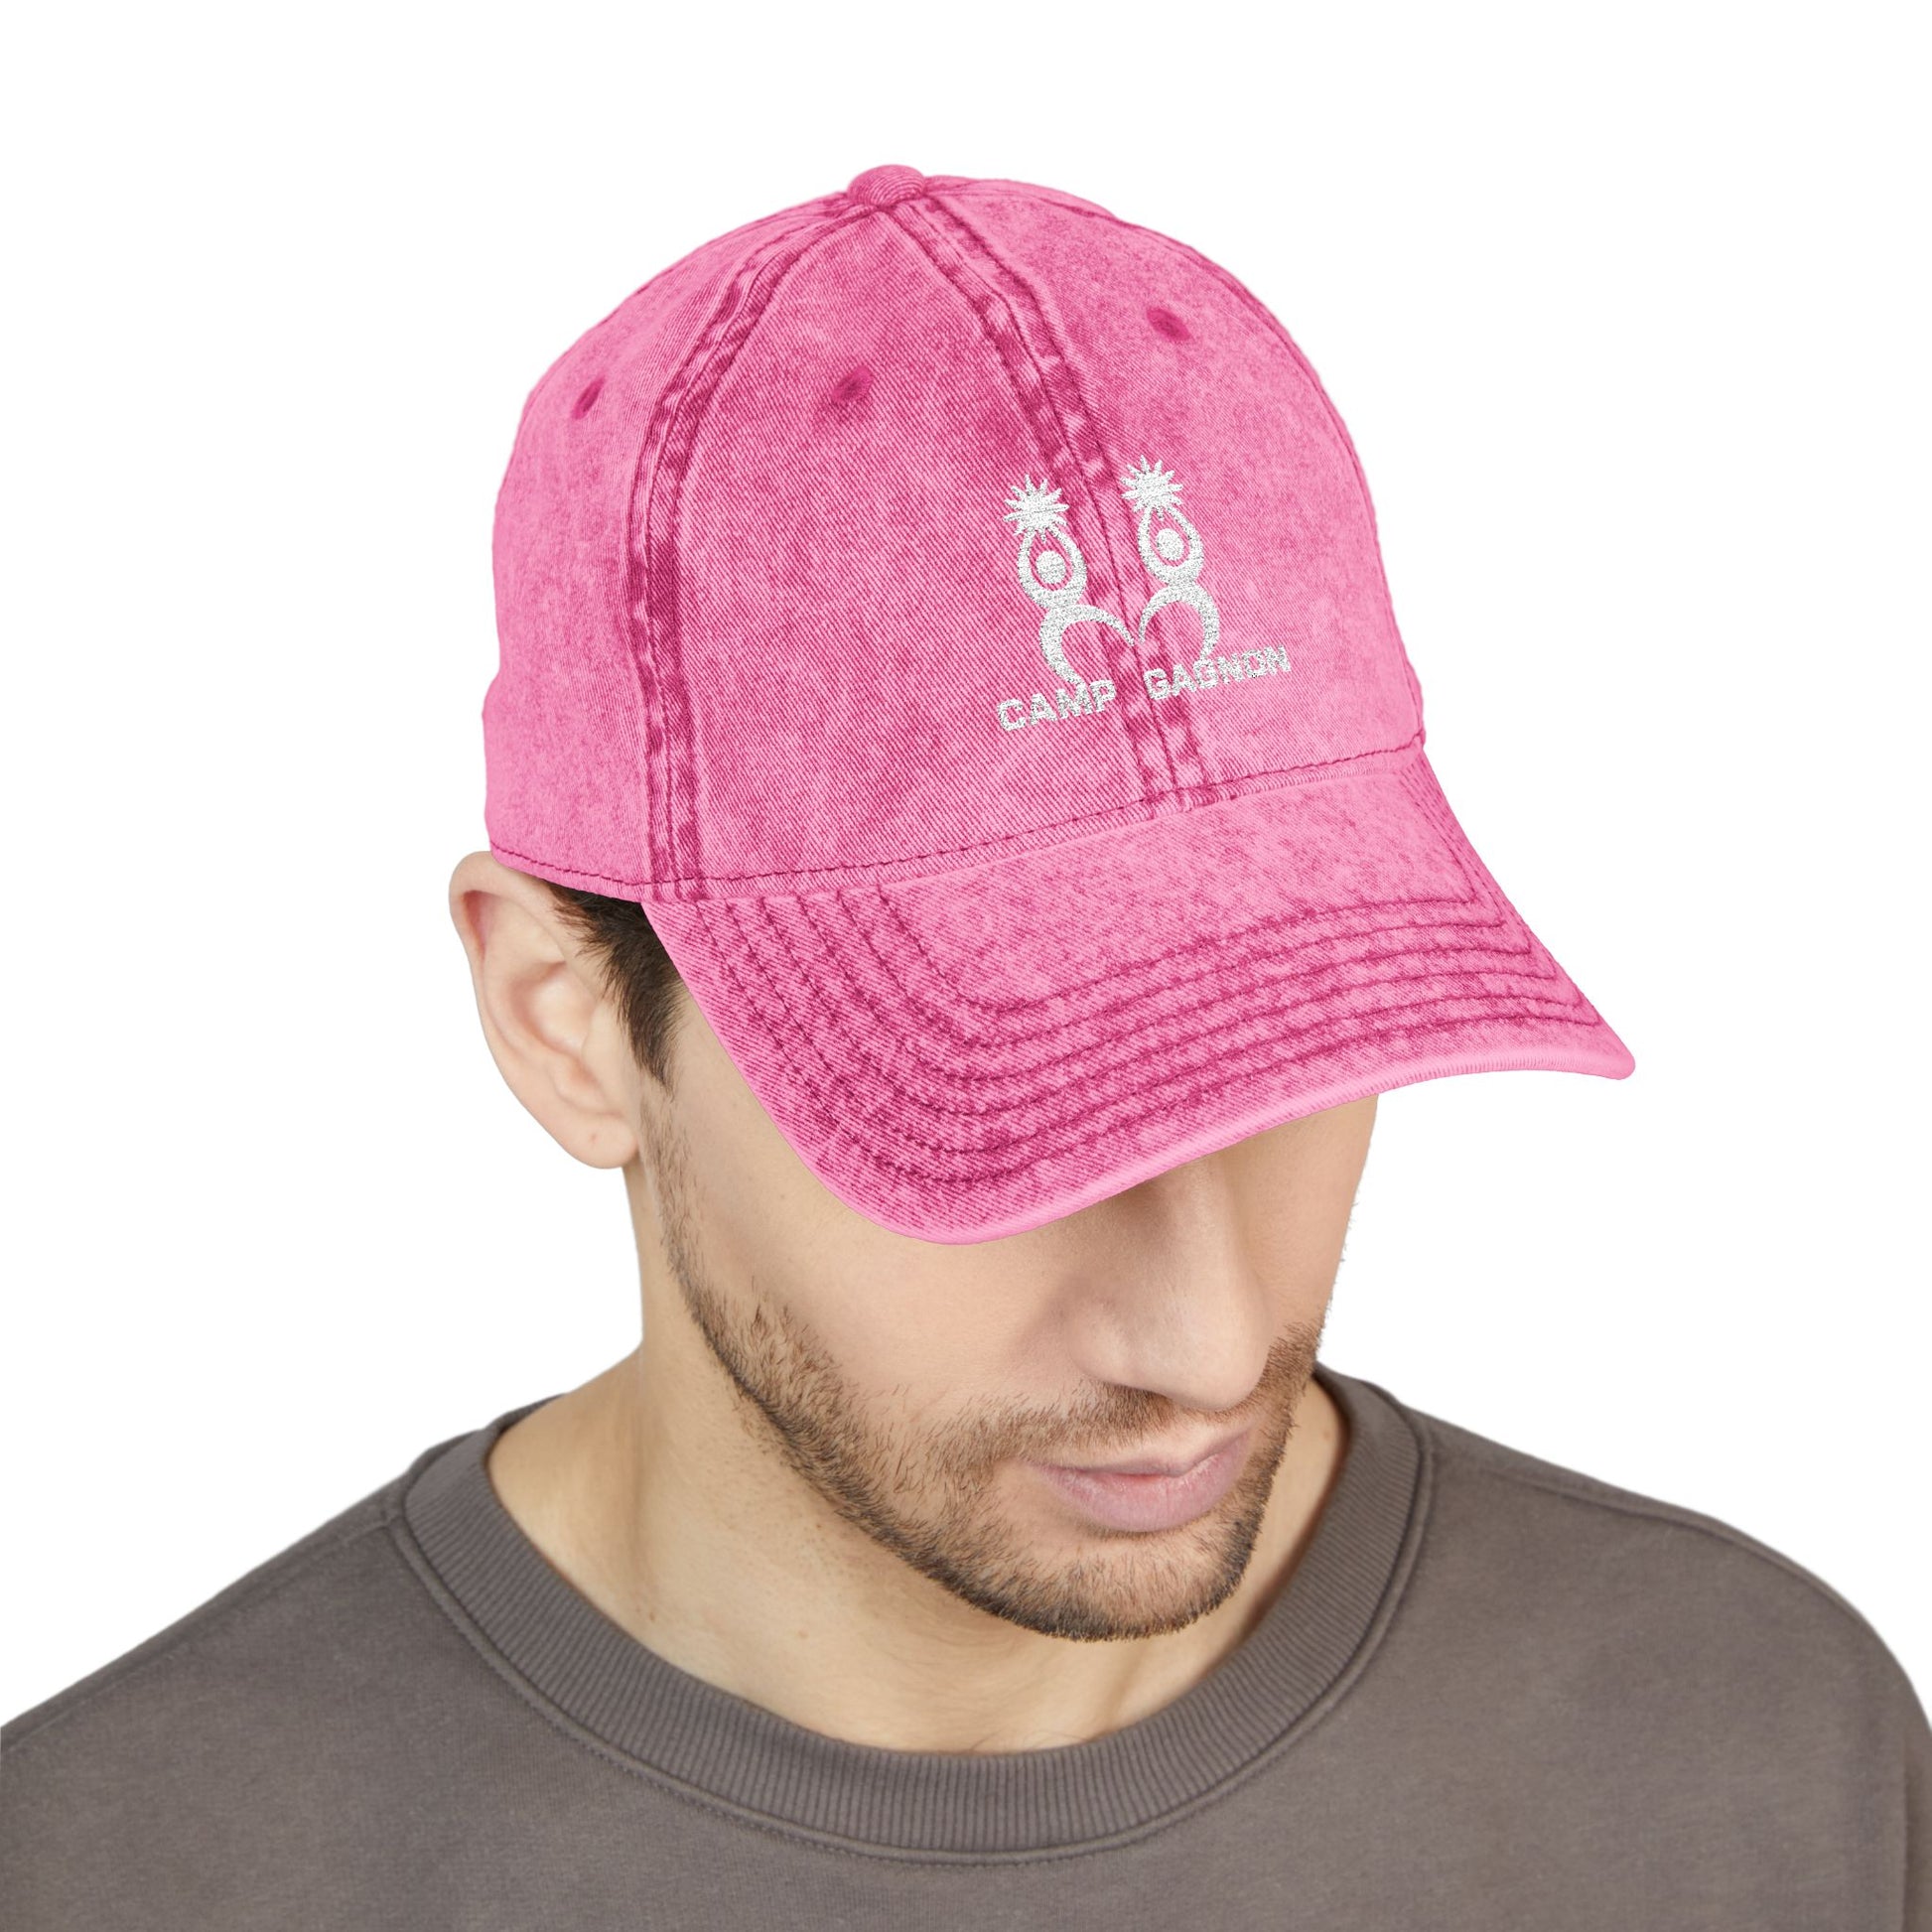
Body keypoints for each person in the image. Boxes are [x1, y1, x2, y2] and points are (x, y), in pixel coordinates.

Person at [5, 164, 1926, 1931]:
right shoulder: (124, 1870)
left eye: (1290, 1050)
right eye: (1009, 1117)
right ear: (564, 1019)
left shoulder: (1753, 1752)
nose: (1204, 1343)